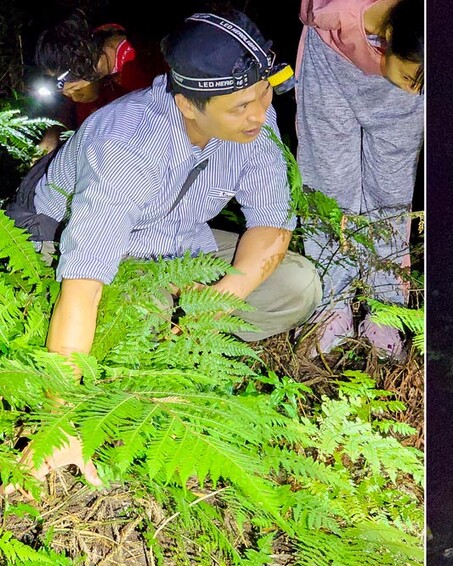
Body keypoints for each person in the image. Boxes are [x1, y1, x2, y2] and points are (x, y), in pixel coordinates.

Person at [3, 10, 321, 492]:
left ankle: (178, 343)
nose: (258, 114)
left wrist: (221, 298)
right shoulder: (126, 145)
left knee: (297, 286)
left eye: (263, 95)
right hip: (80, 243)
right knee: (143, 315)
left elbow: (271, 222)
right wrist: (60, 422)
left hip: (180, 242)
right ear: (188, 104)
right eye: (240, 106)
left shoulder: (254, 120)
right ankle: (142, 361)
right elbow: (83, 288)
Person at [295, 0, 424, 359]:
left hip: (398, 98)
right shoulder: (336, 9)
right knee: (329, 186)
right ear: (390, 33)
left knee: (391, 196)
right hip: (331, 70)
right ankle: (331, 305)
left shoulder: (415, 77)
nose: (417, 90)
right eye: (414, 80)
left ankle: (385, 309)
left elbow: (416, 79)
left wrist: (414, 84)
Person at [33, 8, 166, 152]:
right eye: (57, 82)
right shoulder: (94, 49)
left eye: (63, 79)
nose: (65, 89)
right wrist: (54, 131)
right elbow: (65, 112)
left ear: (79, 60)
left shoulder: (135, 65)